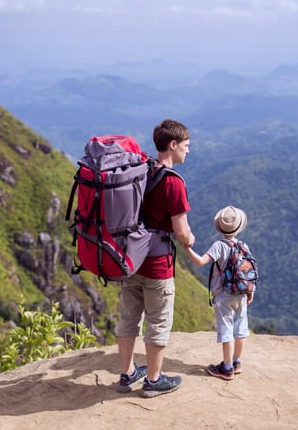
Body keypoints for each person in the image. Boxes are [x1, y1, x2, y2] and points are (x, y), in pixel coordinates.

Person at [115, 119, 196, 398]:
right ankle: (153, 379)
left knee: (128, 318)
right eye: (186, 146)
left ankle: (126, 375)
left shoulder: (141, 171)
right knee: (158, 322)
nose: (188, 151)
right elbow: (181, 231)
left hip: (129, 260)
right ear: (172, 146)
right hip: (158, 266)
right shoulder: (173, 183)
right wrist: (189, 240)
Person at [185, 205, 252, 381]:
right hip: (242, 293)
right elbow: (248, 270)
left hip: (223, 295)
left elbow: (200, 262)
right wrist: (250, 291)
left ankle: (227, 368)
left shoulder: (218, 246)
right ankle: (237, 363)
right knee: (240, 329)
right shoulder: (243, 245)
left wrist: (187, 248)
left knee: (226, 330)